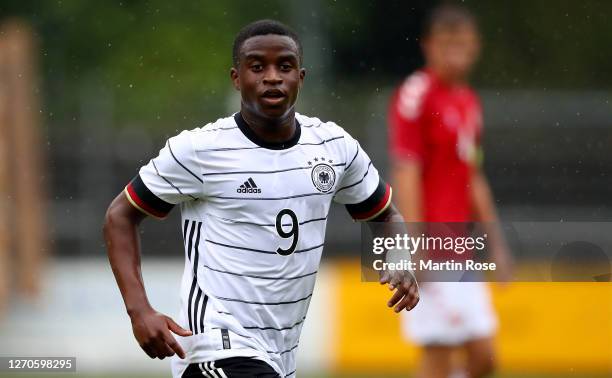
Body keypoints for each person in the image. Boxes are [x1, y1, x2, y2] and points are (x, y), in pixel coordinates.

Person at [104, 19, 418, 378]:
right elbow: (119, 216)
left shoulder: (334, 148)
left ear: (301, 77)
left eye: (284, 66)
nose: (272, 77)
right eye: (257, 67)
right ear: (237, 78)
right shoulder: (200, 150)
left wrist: (399, 258)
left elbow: (386, 214)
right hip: (216, 346)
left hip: (280, 355)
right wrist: (139, 310)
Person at [388, 5, 512, 378]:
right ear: (428, 45)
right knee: (438, 355)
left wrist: (497, 242)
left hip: (462, 248)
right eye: (446, 43)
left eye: (463, 43)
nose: (455, 51)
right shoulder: (417, 94)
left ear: (476, 46)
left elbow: (471, 175)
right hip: (431, 248)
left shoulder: (468, 101)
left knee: (484, 359)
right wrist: (415, 245)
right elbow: (406, 171)